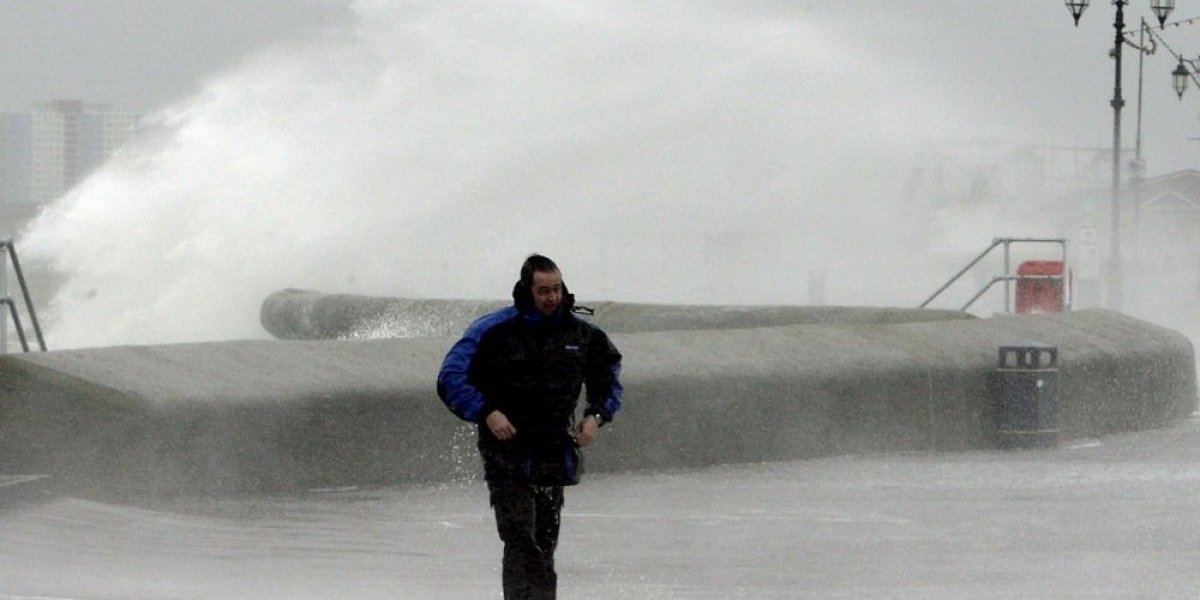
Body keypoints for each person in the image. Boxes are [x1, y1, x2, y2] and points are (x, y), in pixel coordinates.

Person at [436, 254, 624, 600]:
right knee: (520, 537)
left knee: (544, 543)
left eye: (556, 289)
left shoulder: (581, 334)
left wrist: (595, 416)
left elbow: (607, 378)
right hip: (506, 450)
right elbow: (450, 378)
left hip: (554, 450)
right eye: (543, 291)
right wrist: (486, 412)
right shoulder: (493, 330)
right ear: (527, 289)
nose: (551, 297)